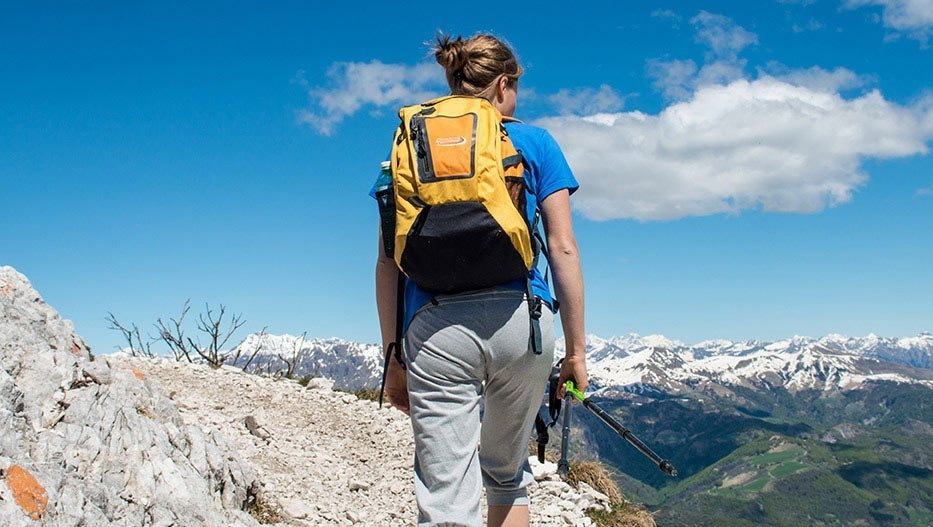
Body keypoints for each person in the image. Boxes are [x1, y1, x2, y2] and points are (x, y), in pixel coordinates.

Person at [373, 33, 588, 527]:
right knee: (507, 474)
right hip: (524, 321)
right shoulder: (533, 141)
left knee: (447, 495)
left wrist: (393, 357)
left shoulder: (409, 144)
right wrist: (575, 352)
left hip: (437, 327)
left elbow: (389, 262)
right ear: (504, 84)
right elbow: (563, 247)